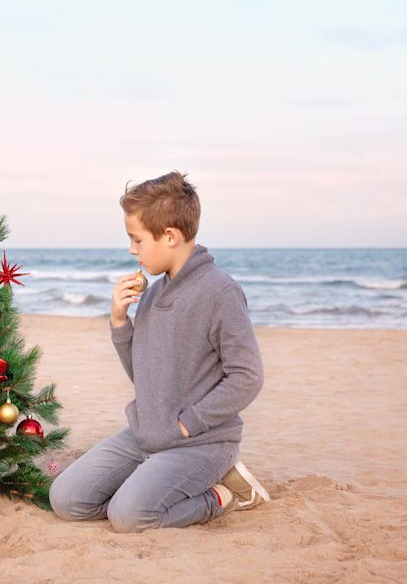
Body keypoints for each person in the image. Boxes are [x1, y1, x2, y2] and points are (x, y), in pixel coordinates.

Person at [49, 171, 269, 532]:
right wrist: (120, 320)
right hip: (146, 435)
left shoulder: (220, 293)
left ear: (170, 236)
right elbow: (144, 374)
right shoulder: (153, 293)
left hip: (200, 442)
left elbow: (248, 376)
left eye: (136, 240)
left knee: (129, 517)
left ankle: (219, 496)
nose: (131, 250)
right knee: (67, 500)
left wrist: (188, 423)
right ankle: (149, 482)